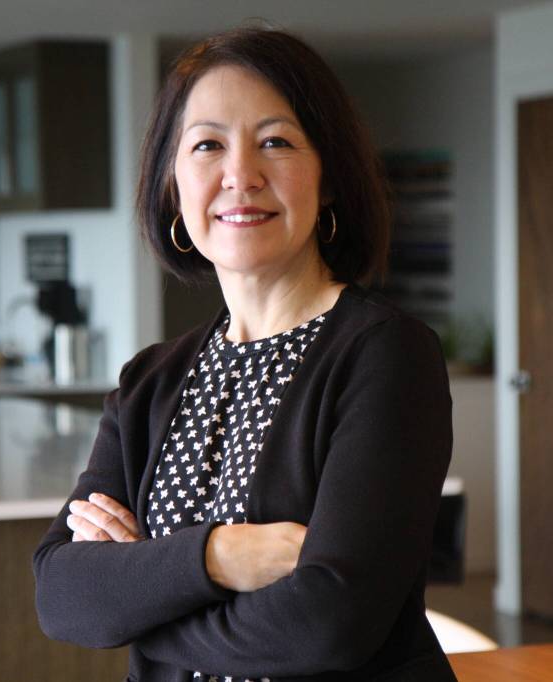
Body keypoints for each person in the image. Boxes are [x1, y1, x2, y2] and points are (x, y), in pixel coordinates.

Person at [33, 26, 456, 682]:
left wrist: (141, 603)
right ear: (172, 185)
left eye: (275, 142)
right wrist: (218, 556)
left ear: (329, 177)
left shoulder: (386, 355)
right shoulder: (150, 380)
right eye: (208, 145)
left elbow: (329, 623)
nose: (241, 176)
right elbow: (62, 597)